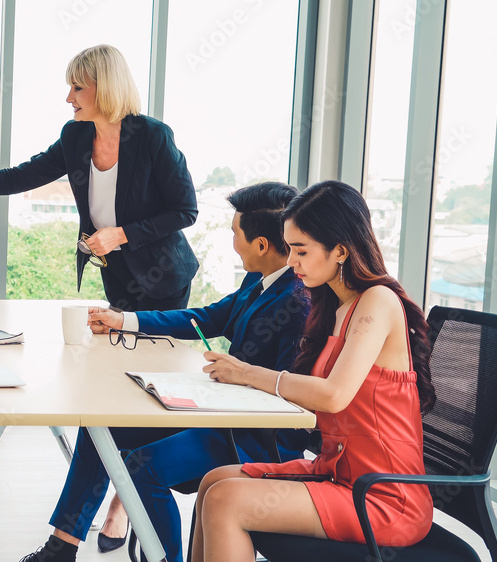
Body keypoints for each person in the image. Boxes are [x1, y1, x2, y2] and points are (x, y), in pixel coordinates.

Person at [18, 182, 309, 562]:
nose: (232, 243)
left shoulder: (298, 301)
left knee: (145, 471)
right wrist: (126, 320)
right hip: (221, 413)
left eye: (235, 234)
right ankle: (61, 548)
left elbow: (290, 392)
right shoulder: (259, 280)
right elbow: (205, 318)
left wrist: (237, 376)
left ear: (261, 245)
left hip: (250, 438)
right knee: (98, 424)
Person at [191, 181, 436, 562]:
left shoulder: (378, 302)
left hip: (384, 496)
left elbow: (334, 394)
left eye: (300, 250)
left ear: (340, 250)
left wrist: (249, 373)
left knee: (225, 500)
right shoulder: (334, 307)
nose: (291, 261)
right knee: (213, 481)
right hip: (339, 473)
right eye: (290, 249)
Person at [0, 44, 199, 312]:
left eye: (78, 88)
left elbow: (185, 211)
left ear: (106, 88)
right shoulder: (76, 135)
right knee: (120, 361)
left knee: (154, 366)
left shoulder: (152, 136)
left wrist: (121, 234)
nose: (69, 97)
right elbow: (20, 177)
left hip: (163, 278)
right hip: (119, 277)